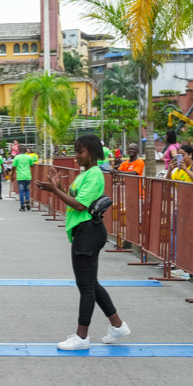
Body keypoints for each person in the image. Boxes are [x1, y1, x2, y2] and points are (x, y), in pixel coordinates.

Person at [37, 134, 130, 350]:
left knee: (86, 286)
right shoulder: (85, 174)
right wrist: (57, 186)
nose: (76, 156)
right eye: (76, 151)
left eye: (80, 152)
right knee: (91, 284)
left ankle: (82, 337)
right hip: (84, 231)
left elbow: (80, 205)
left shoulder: (95, 174)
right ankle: (117, 326)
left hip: (88, 232)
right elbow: (75, 200)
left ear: (93, 153)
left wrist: (55, 190)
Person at [165, 145, 193, 280]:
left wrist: (185, 170)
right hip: (183, 207)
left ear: (190, 155)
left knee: (189, 236)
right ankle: (190, 265)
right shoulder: (178, 169)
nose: (180, 158)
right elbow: (169, 182)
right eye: (178, 155)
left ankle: (190, 267)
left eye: (182, 155)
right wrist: (170, 170)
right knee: (185, 236)